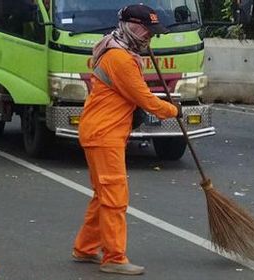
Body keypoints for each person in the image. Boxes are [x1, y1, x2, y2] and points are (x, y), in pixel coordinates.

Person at [71, 4, 179, 275]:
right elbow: (141, 97)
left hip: (101, 131)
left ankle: (85, 248)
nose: (149, 38)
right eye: (147, 32)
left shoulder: (118, 48)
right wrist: (173, 110)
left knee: (102, 195)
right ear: (131, 27)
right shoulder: (119, 58)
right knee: (115, 197)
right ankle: (114, 258)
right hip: (104, 134)